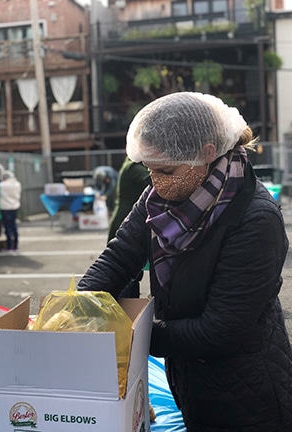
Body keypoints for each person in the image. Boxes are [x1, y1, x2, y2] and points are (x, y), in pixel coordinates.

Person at [77, 92, 292, 431]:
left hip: (248, 393)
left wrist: (125, 335)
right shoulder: (157, 198)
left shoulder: (255, 219)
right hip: (190, 377)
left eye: (165, 170)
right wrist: (79, 307)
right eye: (149, 170)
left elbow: (220, 331)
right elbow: (118, 257)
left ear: (206, 152)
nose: (156, 182)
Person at [107, 156, 150, 298]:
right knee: (127, 274)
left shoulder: (129, 165)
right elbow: (155, 181)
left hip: (128, 219)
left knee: (132, 274)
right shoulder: (133, 168)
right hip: (126, 221)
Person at [0, 170, 21, 251]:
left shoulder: (2, 185)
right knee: (14, 226)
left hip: (5, 207)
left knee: (7, 228)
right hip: (15, 206)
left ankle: (9, 245)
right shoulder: (17, 184)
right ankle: (16, 245)